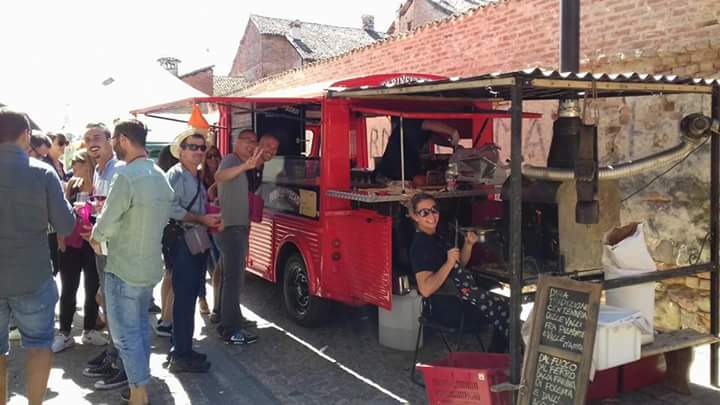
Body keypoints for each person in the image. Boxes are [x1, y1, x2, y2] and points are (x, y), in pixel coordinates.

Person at [85, 119, 173, 404]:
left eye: (113, 140)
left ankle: (139, 392)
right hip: (149, 266)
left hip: (123, 268)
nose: (112, 145)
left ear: (123, 139)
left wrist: (95, 236)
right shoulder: (160, 174)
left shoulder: (126, 175)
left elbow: (106, 223)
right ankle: (139, 386)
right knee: (140, 330)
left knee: (125, 336)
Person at [0, 109, 75, 405]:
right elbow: (66, 225)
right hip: (32, 276)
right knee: (39, 345)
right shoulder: (42, 173)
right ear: (26, 135)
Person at [408, 193, 510, 353]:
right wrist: (448, 263)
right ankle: (499, 354)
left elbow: (459, 265)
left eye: (434, 210)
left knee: (507, 304)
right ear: (415, 216)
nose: (432, 216)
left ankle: (499, 354)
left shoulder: (438, 236)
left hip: (464, 296)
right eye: (424, 212)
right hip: (450, 308)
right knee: (505, 309)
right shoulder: (420, 247)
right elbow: (426, 289)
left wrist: (468, 244)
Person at [165, 131, 220, 372]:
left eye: (201, 147)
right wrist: (201, 218)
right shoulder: (177, 174)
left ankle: (182, 348)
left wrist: (208, 214)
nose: (198, 151)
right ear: (181, 150)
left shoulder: (192, 174)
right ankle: (181, 355)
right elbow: (170, 207)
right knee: (185, 298)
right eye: (193, 147)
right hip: (183, 240)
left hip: (192, 238)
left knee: (187, 298)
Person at [81, 122, 128, 390]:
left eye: (97, 137)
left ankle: (123, 364)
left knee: (117, 306)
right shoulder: (99, 170)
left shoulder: (118, 169)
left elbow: (120, 212)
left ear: (110, 140)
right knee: (108, 303)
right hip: (102, 247)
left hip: (116, 249)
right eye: (88, 139)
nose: (92, 143)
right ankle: (114, 352)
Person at [52, 150, 108, 353]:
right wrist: (60, 238)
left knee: (92, 288)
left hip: (92, 243)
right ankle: (64, 332)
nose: (74, 167)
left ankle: (89, 329)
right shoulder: (71, 185)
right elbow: (61, 212)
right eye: (73, 163)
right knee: (69, 288)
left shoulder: (99, 186)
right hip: (70, 243)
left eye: (78, 162)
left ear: (88, 165)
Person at [214, 129, 263, 344]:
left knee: (229, 278)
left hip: (236, 228)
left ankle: (228, 318)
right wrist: (245, 166)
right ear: (237, 142)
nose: (251, 145)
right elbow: (219, 176)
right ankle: (231, 329)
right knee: (233, 281)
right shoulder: (231, 160)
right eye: (247, 141)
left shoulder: (238, 163)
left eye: (254, 141)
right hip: (231, 230)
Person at [377, 118, 461, 185]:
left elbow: (433, 138)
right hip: (396, 165)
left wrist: (452, 145)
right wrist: (453, 132)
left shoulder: (423, 130)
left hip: (410, 161)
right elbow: (431, 124)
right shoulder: (412, 120)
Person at [200, 145, 222, 316]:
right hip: (201, 226)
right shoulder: (199, 176)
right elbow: (207, 197)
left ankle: (218, 305)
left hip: (216, 226)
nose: (213, 159)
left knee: (217, 265)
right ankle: (202, 298)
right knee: (202, 266)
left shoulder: (224, 173)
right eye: (210, 156)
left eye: (216, 156)